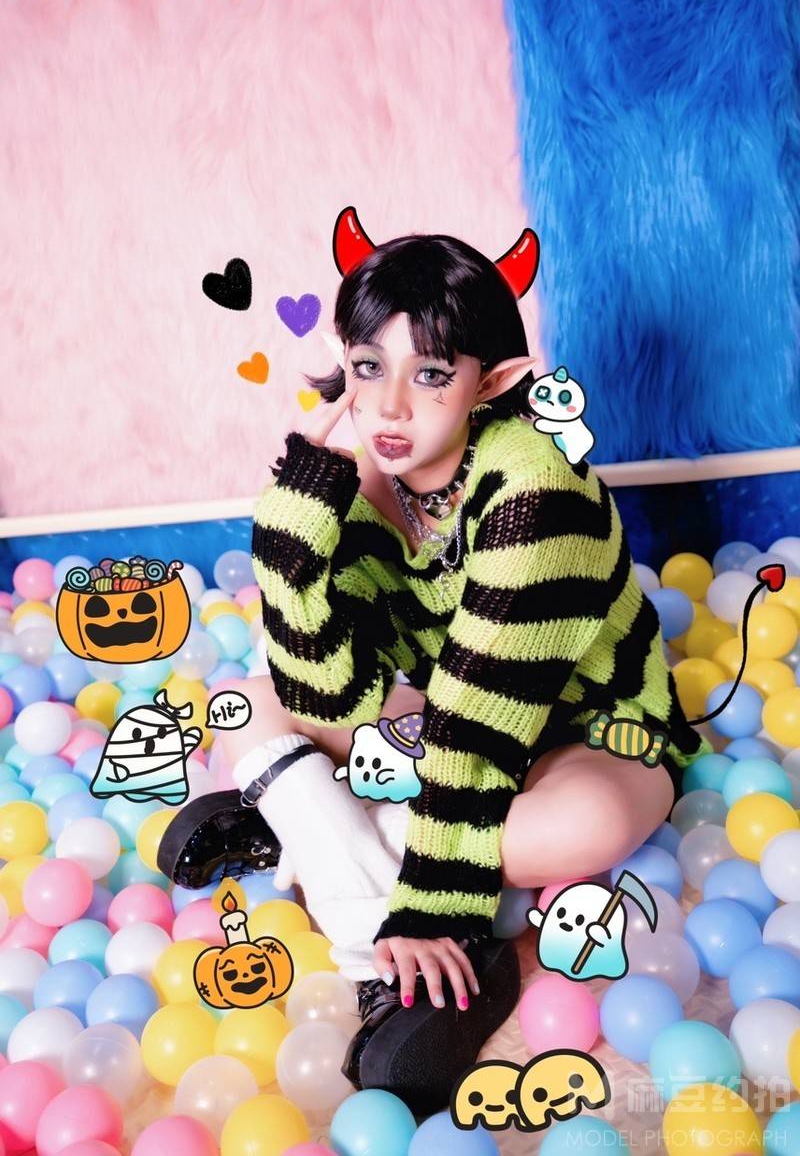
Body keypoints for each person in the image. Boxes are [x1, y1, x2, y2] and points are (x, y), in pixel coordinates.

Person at [159, 209, 712, 1114]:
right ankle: (349, 871)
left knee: (579, 828)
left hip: (583, 729)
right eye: (367, 366)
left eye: (430, 374)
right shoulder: (359, 483)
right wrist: (292, 545)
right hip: (443, 722)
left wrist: (436, 910)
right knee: (248, 704)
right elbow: (327, 688)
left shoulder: (536, 488)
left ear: (492, 381)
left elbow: (485, 714)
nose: (388, 408)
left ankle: (309, 829)